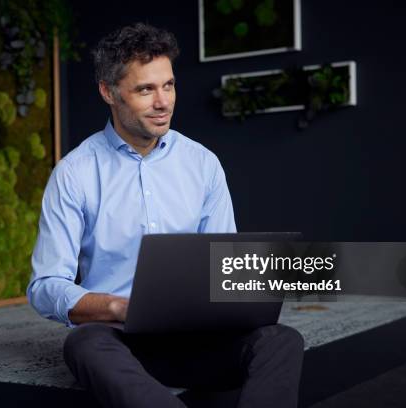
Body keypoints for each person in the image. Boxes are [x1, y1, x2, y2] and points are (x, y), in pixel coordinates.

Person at [27, 23, 304, 408]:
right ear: (109, 92)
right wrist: (115, 306)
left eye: (168, 85)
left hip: (200, 343)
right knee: (84, 343)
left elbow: (226, 265)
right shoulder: (75, 173)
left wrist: (244, 289)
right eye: (145, 89)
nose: (163, 102)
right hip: (119, 342)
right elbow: (45, 285)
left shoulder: (203, 164)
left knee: (281, 340)